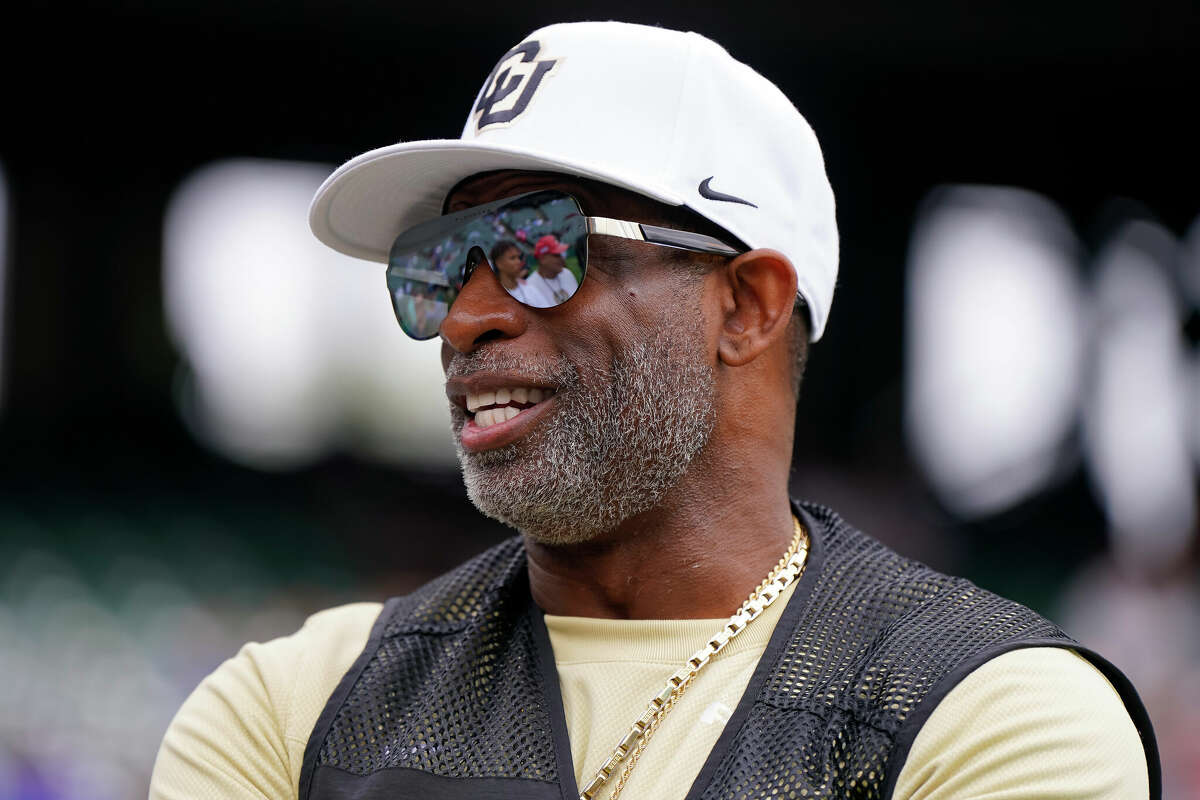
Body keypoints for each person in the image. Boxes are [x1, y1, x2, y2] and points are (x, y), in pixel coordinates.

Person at [150, 21, 1161, 800]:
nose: (465, 317)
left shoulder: (991, 710)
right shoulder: (289, 706)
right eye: (439, 265)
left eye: (540, 248)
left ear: (747, 304)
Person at [523, 233, 579, 307]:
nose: (562, 259)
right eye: (556, 255)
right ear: (542, 259)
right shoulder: (529, 288)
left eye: (561, 254)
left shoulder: (566, 273)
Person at [489, 239, 532, 303]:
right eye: (512, 258)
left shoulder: (530, 288)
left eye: (518, 257)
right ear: (499, 263)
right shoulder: (494, 300)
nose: (518, 261)